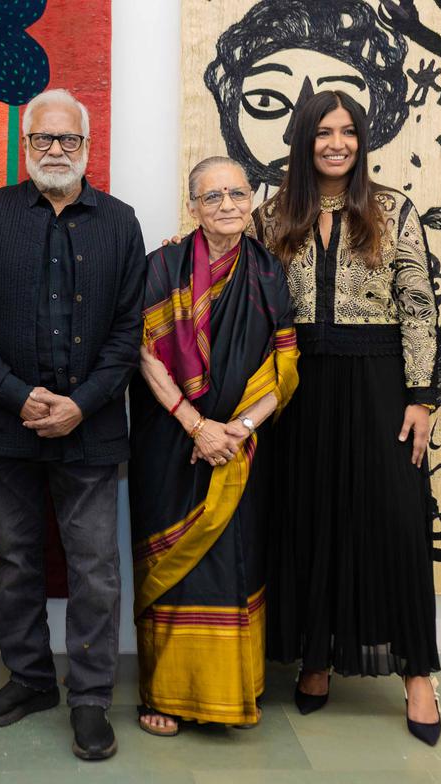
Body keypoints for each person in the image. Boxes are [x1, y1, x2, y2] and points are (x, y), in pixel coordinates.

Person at [0, 88, 146, 761]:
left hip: (89, 433)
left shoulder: (120, 223)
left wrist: (81, 404)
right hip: (1, 426)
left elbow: (129, 331)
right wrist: (16, 395)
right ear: (26, 145)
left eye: (69, 140)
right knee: (16, 560)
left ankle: (90, 699)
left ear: (88, 149)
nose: (56, 150)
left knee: (95, 568)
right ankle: (31, 679)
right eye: (44, 140)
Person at [254, 89, 441, 745]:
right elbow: (242, 287)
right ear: (303, 140)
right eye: (324, 132)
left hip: (378, 380)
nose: (337, 143)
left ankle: (420, 674)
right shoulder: (272, 214)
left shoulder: (393, 210)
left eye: (349, 132)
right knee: (308, 516)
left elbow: (418, 303)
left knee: (393, 521)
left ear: (361, 142)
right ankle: (314, 660)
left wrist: (420, 398)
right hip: (298, 385)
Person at [130, 157, 298, 736]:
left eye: (237, 193)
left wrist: (237, 430)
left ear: (251, 199)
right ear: (192, 206)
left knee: (232, 563)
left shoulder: (269, 273)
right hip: (170, 443)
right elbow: (144, 355)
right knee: (174, 569)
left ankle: (230, 691)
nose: (227, 204)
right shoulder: (162, 266)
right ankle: (165, 693)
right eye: (212, 196)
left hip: (241, 452)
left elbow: (285, 365)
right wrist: (195, 424)